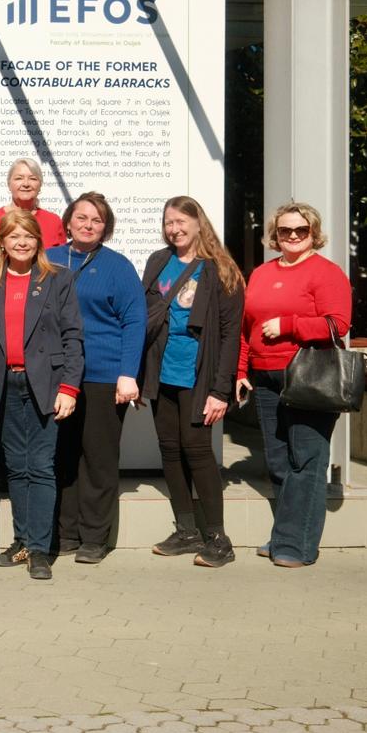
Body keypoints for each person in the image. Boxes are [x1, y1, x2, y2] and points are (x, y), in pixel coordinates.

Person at [236, 201, 352, 569]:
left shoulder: (327, 273)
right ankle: (285, 535)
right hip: (265, 375)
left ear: (313, 233)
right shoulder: (261, 273)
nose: (293, 235)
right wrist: (241, 370)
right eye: (285, 230)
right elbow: (246, 326)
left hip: (308, 374)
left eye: (301, 230)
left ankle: (296, 546)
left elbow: (338, 323)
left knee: (306, 460)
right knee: (278, 461)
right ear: (275, 234)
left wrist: (289, 325)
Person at [140, 196, 245, 569]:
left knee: (197, 450)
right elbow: (145, 317)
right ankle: (186, 532)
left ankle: (219, 539)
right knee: (169, 449)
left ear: (199, 223)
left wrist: (220, 391)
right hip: (161, 371)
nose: (174, 229)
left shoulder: (221, 269)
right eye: (169, 222)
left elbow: (230, 336)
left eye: (181, 221)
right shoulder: (159, 261)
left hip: (199, 374)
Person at [46, 192, 145, 564]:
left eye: (97, 220)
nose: (88, 225)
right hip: (57, 375)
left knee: (98, 458)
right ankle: (65, 532)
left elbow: (134, 321)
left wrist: (128, 374)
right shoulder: (49, 259)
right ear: (68, 221)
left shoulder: (118, 267)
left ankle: (94, 537)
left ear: (106, 227)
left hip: (103, 374)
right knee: (62, 454)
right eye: (82, 217)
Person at [0, 210, 84, 582]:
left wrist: (69, 387)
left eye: (28, 236)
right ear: (2, 242)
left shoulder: (58, 279)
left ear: (38, 241)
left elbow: (72, 336)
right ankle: (22, 542)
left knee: (41, 466)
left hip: (45, 384)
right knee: (16, 466)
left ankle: (40, 549)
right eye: (14, 236)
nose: (22, 242)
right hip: (5, 384)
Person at [0, 158, 67, 253]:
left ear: (40, 185)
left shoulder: (54, 222)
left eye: (32, 178)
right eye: (19, 178)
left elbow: (61, 258)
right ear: (9, 184)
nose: (26, 184)